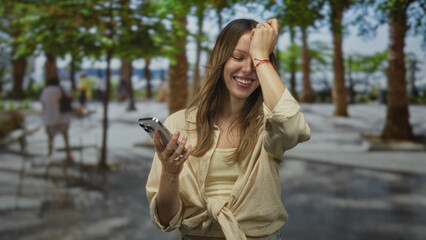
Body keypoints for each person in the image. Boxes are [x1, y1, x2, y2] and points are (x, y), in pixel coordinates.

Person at [146, 19, 311, 240]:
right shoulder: (179, 124)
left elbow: (292, 126)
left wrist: (262, 55)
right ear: (221, 59)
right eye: (238, 57)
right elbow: (165, 220)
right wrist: (170, 173)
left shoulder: (270, 123)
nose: (248, 69)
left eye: (256, 60)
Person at [40, 77, 73, 163]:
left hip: (49, 116)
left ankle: (50, 152)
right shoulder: (60, 89)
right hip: (62, 116)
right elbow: (71, 98)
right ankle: (68, 153)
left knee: (50, 136)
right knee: (65, 135)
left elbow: (42, 102)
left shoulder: (45, 90)